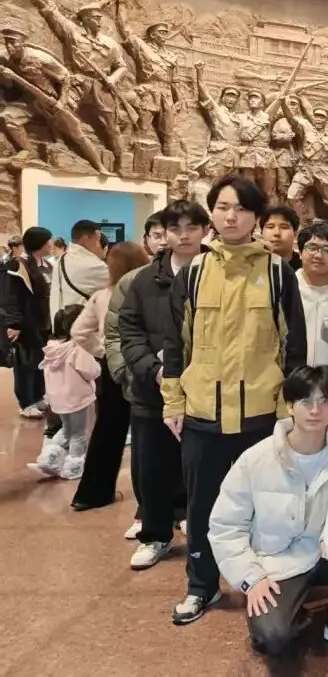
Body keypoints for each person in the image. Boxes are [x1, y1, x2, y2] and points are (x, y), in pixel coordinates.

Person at [161, 174, 307, 625]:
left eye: (241, 209)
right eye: (223, 207)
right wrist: (173, 401)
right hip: (203, 411)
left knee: (263, 505)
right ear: (212, 213)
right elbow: (175, 343)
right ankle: (201, 586)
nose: (231, 216)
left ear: (255, 218)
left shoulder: (278, 272)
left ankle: (264, 582)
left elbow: (294, 347)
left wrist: (288, 409)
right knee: (203, 506)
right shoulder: (194, 272)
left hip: (260, 413)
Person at [209, 365, 328, 657]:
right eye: (306, 401)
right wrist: (251, 577)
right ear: (290, 406)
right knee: (272, 638)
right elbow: (225, 527)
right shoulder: (255, 459)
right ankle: (295, 611)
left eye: (325, 401)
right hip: (276, 564)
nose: (315, 410)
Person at [118, 201, 210, 563]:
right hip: (152, 391)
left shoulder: (219, 272)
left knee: (205, 468)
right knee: (152, 467)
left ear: (206, 231)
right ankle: (156, 535)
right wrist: (153, 370)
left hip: (207, 390)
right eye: (175, 228)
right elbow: (129, 331)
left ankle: (206, 536)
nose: (183, 235)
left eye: (191, 227)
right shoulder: (144, 280)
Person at [69, 241, 150, 511]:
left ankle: (91, 494)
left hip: (113, 367)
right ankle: (155, 502)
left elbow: (79, 332)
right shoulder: (149, 291)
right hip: (146, 365)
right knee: (150, 433)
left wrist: (102, 351)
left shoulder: (102, 295)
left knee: (107, 430)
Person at [38, 304, 101, 479]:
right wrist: (98, 366)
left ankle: (49, 458)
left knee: (66, 430)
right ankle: (74, 468)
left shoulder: (51, 348)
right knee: (79, 434)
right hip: (77, 398)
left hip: (58, 400)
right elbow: (91, 371)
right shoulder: (77, 349)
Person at [295, 223, 328, 400]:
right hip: (293, 382)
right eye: (312, 248)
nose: (319, 255)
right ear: (300, 251)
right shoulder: (287, 287)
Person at [2, 226, 52, 419]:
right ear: (39, 243)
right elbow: (10, 297)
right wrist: (14, 324)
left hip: (42, 323)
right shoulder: (17, 266)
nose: (51, 244)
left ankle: (38, 396)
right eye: (48, 241)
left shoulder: (47, 265)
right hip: (25, 323)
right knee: (24, 364)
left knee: (39, 361)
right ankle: (26, 402)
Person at [49, 219, 109, 320]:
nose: (98, 244)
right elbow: (117, 289)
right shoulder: (94, 265)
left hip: (60, 322)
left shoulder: (61, 260)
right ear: (85, 239)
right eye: (97, 240)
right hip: (83, 323)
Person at [260, 204, 302, 271]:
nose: (277, 233)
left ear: (295, 234)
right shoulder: (251, 266)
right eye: (270, 227)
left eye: (284, 227)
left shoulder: (305, 268)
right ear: (261, 233)